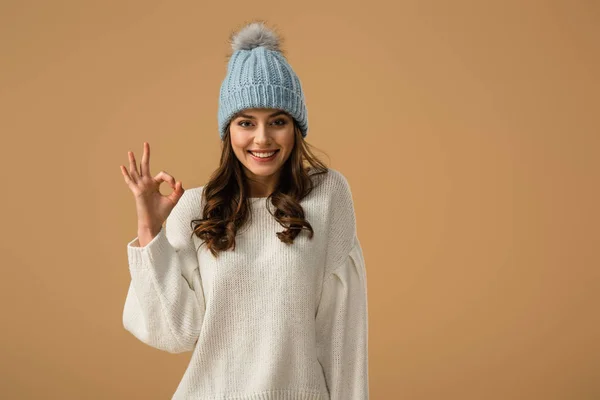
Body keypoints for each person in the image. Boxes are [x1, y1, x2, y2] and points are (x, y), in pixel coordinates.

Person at [119, 20, 369, 400]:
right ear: (229, 130)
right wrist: (149, 228)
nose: (262, 138)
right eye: (246, 122)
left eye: (278, 122)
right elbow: (174, 332)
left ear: (296, 128)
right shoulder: (195, 207)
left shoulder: (327, 195)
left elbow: (343, 335)